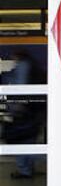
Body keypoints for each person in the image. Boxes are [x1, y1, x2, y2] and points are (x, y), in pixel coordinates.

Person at [1, 50, 45, 178]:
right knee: (26, 140)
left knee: (21, 141)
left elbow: (20, 86)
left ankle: (51, 159)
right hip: (33, 110)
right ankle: (25, 170)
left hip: (24, 110)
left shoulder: (23, 65)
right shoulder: (33, 67)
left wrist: (16, 108)